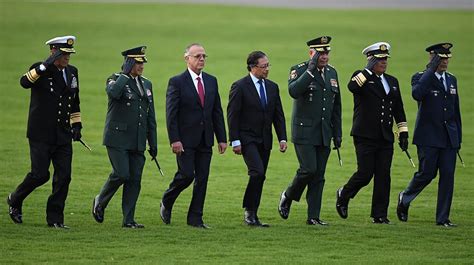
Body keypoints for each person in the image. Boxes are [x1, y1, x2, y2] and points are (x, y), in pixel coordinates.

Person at [7, 36, 82, 229]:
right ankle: (15, 198)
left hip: (63, 134)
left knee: (64, 177)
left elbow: (74, 102)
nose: (67, 58)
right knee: (40, 175)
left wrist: (76, 126)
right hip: (41, 134)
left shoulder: (72, 72)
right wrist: (43, 67)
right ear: (53, 52)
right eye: (63, 54)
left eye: (68, 55)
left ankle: (55, 219)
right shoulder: (40, 69)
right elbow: (24, 82)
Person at [335, 42, 409, 224]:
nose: (384, 62)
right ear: (370, 60)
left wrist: (403, 132)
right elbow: (352, 87)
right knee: (365, 173)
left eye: (385, 59)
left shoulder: (392, 81)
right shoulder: (361, 77)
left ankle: (379, 214)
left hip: (385, 136)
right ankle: (344, 193)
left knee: (384, 175)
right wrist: (367, 71)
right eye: (379, 59)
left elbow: (398, 109)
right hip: (365, 135)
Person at [160, 43, 227, 229]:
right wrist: (174, 139)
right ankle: (167, 199)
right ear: (186, 58)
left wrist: (221, 138)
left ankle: (195, 218)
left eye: (204, 56)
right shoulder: (177, 82)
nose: (201, 59)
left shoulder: (212, 81)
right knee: (187, 175)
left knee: (202, 179)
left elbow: (216, 111)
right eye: (197, 56)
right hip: (184, 140)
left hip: (206, 139)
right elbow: (171, 114)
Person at [278, 36, 342, 226]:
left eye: (326, 53)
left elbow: (336, 106)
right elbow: (294, 91)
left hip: (324, 132)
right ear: (311, 53)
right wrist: (310, 71)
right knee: (308, 169)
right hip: (304, 132)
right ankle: (288, 195)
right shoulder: (298, 70)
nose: (324, 56)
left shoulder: (332, 73)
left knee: (319, 175)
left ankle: (313, 216)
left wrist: (337, 133)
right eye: (320, 53)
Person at [92, 46, 157, 228]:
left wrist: (153, 143)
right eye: (137, 62)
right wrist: (125, 74)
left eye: (142, 62)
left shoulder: (146, 84)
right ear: (128, 63)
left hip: (137, 140)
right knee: (122, 173)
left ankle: (128, 220)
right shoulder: (115, 79)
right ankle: (100, 200)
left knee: (135, 179)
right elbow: (113, 93)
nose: (141, 66)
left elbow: (149, 116)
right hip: (117, 138)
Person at [397, 43, 461, 227]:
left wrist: (458, 139)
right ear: (431, 57)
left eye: (447, 58)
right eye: (440, 58)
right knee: (426, 173)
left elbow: (455, 112)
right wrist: (430, 70)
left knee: (448, 177)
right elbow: (417, 94)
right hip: (428, 137)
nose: (444, 61)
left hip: (449, 138)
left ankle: (443, 219)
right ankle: (405, 197)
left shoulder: (451, 79)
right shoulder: (420, 77)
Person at [227, 51, 287, 227]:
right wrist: (235, 140)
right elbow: (233, 115)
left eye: (268, 65)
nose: (267, 69)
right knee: (257, 172)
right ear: (253, 67)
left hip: (265, 140)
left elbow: (278, 115)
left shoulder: (272, 87)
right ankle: (249, 211)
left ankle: (253, 213)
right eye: (263, 66)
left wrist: (282, 138)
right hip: (247, 139)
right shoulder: (240, 86)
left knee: (261, 176)